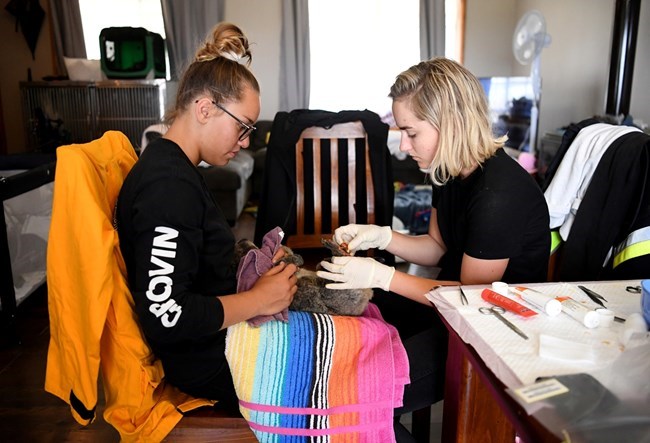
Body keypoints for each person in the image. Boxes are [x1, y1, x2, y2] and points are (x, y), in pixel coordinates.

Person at [318, 57, 550, 441]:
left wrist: (382, 275)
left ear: (451, 123)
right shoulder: (449, 171)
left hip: (488, 334)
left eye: (411, 132)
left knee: (357, 398)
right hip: (449, 311)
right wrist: (383, 237)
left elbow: (470, 297)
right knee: (343, 308)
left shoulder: (499, 194)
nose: (404, 146)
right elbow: (437, 248)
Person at [116, 22, 298, 413]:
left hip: (217, 340)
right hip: (205, 361)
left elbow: (196, 262)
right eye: (243, 127)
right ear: (204, 108)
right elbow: (167, 315)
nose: (245, 142)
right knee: (355, 353)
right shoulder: (167, 186)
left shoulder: (176, 168)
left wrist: (253, 268)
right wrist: (258, 300)